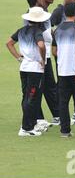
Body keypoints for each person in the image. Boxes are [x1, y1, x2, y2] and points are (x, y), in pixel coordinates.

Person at [6, 7, 49, 136]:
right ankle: (26, 128)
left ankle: (30, 124)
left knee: (26, 96)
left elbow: (9, 43)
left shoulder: (21, 31)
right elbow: (41, 45)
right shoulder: (37, 32)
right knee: (31, 97)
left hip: (24, 67)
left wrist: (19, 57)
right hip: (35, 69)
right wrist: (42, 58)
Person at [25, 0, 59, 127]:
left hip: (42, 57)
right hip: (40, 58)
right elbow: (42, 36)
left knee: (47, 87)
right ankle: (38, 119)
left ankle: (52, 115)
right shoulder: (34, 16)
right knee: (40, 88)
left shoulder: (37, 14)